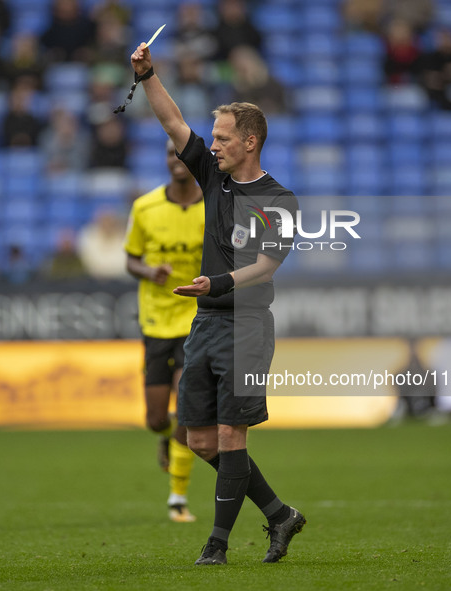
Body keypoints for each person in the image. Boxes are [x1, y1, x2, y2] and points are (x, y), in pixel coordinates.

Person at [128, 38, 304, 565]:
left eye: (225, 138)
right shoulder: (213, 177)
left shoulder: (280, 200)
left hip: (247, 325)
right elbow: (174, 124)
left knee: (230, 435)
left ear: (250, 142)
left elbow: (268, 266)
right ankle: (279, 514)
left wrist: (217, 282)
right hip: (205, 324)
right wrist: (147, 74)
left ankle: (217, 545)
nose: (216, 145)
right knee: (201, 441)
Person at [124, 139, 204, 523]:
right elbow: (130, 260)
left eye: (184, 154)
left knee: (187, 404)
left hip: (197, 319)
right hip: (156, 320)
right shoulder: (145, 207)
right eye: (172, 154)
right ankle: (166, 437)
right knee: (157, 417)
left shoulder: (215, 206)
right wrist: (148, 272)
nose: (177, 160)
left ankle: (177, 498)